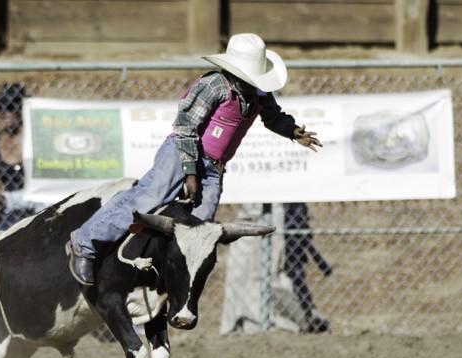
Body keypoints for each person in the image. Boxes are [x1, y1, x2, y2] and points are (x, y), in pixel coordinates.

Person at [67, 33, 322, 285]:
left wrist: (292, 130)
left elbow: (273, 116)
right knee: (149, 196)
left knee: (200, 228)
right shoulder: (213, 86)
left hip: (214, 168)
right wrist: (190, 172)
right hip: (182, 153)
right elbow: (185, 126)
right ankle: (85, 243)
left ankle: (171, 280)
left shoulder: (260, 95)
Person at [0, 83, 45, 231]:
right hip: (7, 216)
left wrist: (7, 199)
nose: (5, 114)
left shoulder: (35, 141)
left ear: (21, 110)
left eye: (10, 108)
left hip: (36, 210)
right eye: (1, 108)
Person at [283, 203, 332, 333]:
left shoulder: (296, 204)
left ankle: (308, 314)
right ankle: (306, 315)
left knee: (296, 278)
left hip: (293, 244)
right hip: (284, 239)